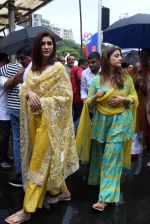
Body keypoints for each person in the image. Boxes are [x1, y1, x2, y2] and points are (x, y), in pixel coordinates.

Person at [5, 31, 79, 224]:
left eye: (50, 44)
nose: (47, 47)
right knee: (45, 160)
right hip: (33, 122)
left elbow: (67, 98)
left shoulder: (59, 69)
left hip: (50, 123)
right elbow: (24, 90)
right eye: (43, 44)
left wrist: (45, 102)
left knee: (38, 163)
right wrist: (28, 93)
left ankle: (27, 209)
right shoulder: (33, 69)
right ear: (37, 47)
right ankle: (63, 192)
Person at [76, 47, 138, 211]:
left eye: (120, 56)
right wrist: (96, 97)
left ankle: (106, 197)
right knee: (99, 153)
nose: (120, 58)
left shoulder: (126, 78)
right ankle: (98, 181)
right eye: (116, 56)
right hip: (101, 121)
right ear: (107, 58)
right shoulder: (97, 80)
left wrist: (124, 99)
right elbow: (88, 103)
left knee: (111, 155)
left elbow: (134, 97)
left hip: (120, 121)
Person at [0, 53, 12, 170]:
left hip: (5, 111)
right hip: (2, 112)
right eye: (6, 61)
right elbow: (7, 84)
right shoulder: (1, 75)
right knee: (3, 138)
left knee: (6, 137)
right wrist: (18, 75)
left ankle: (6, 156)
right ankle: (2, 160)